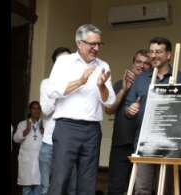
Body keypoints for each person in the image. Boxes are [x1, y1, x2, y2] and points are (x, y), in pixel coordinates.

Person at [46, 24, 116, 195]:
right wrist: (80, 81)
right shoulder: (64, 62)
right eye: (92, 44)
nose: (96, 48)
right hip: (67, 128)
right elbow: (52, 91)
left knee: (88, 182)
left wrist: (101, 86)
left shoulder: (103, 65)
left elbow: (110, 102)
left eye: (99, 44)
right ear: (79, 43)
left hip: (92, 130)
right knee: (60, 179)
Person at [125, 37, 181, 195]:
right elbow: (127, 108)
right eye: (151, 52)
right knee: (142, 189)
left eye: (158, 52)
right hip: (144, 143)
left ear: (169, 55)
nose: (153, 55)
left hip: (170, 145)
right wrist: (130, 109)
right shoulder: (141, 79)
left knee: (167, 189)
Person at [105, 49, 151, 195]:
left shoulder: (153, 86)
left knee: (141, 188)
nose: (141, 66)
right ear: (133, 63)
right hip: (121, 144)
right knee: (116, 188)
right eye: (138, 62)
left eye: (146, 63)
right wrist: (124, 90)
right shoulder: (120, 84)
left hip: (144, 146)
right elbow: (109, 110)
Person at [38, 47, 74, 195]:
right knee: (46, 188)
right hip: (49, 142)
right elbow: (46, 110)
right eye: (61, 61)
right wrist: (59, 92)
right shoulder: (46, 83)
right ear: (55, 64)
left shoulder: (77, 83)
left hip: (71, 143)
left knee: (69, 188)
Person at [13, 101, 44, 195]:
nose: (36, 110)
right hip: (27, 162)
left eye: (38, 108)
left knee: (39, 189)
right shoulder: (22, 124)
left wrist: (44, 133)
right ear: (30, 110)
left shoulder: (43, 124)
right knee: (27, 190)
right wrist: (26, 131)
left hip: (40, 161)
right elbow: (15, 139)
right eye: (34, 108)